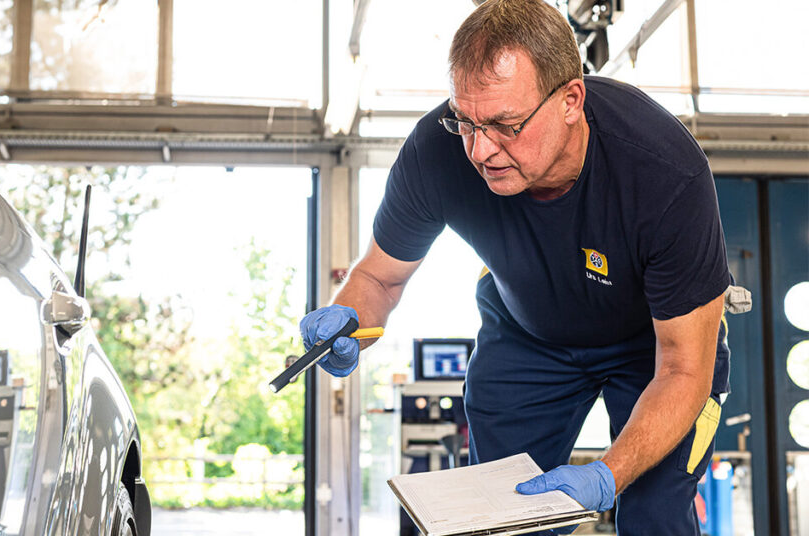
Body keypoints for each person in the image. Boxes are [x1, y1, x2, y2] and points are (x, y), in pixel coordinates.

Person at [299, 0, 731, 533]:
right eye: (467, 121)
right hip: (528, 338)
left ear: (571, 99)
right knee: (504, 518)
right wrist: (347, 320)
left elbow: (685, 369)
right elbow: (377, 278)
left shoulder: (665, 173)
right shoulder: (437, 152)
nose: (481, 150)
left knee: (653, 514)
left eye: (506, 124)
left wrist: (606, 475)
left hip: (656, 347)